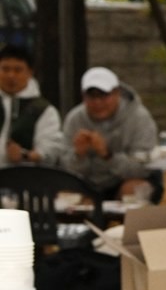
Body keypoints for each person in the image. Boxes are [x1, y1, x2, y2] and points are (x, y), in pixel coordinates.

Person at [60, 66, 158, 199]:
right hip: (86, 183)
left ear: (117, 93)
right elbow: (65, 168)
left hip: (122, 181)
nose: (97, 102)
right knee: (64, 193)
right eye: (91, 96)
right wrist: (79, 156)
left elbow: (144, 168)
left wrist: (107, 156)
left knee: (134, 189)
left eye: (104, 96)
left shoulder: (139, 118)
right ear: (83, 96)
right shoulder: (74, 119)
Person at [0, 44, 65, 166]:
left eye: (17, 70)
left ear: (30, 72)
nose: (11, 76)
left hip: (24, 178)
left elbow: (50, 151)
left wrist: (25, 155)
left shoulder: (44, 110)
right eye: (5, 69)